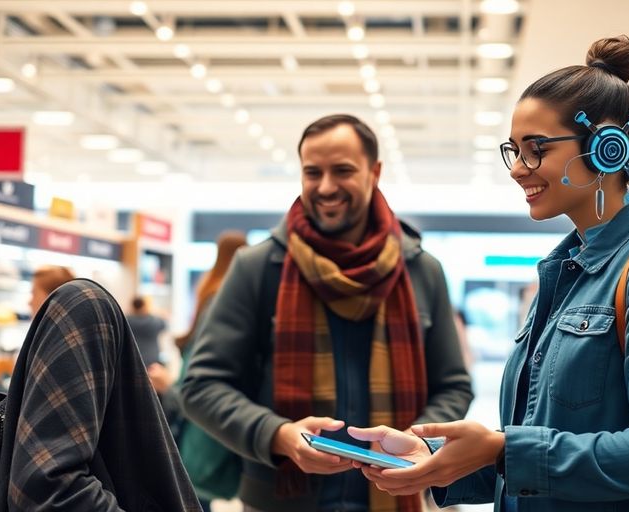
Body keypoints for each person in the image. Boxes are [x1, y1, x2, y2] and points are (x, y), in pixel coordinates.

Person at [348, 36, 629, 512]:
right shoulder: (566, 273)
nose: (518, 169)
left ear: (607, 149)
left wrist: (504, 450)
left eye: (537, 149)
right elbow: (546, 451)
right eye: (514, 150)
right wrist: (439, 459)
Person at [182, 114, 474, 512]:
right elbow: (201, 385)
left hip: (396, 495)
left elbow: (453, 385)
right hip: (281, 500)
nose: (325, 187)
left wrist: (415, 441)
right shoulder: (258, 267)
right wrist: (278, 434)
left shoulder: (421, 270)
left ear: (375, 172)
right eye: (312, 172)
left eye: (342, 171)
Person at [0, 279, 201, 511]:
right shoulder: (82, 310)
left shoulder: (82, 313)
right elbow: (48, 488)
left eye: (33, 291)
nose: (29, 300)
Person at [160, 230, 248, 512]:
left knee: (192, 495)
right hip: (211, 416)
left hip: (198, 417)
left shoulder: (211, 291)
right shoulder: (229, 296)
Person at [128, 296, 168, 367]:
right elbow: (165, 325)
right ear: (145, 306)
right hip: (152, 361)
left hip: (133, 359)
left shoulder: (127, 321)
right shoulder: (155, 321)